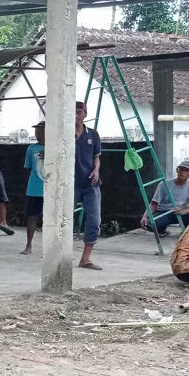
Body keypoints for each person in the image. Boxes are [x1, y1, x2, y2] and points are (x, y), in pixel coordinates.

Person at [74, 101, 103, 270]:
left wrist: (97, 170)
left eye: (79, 112)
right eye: (73, 112)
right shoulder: (64, 133)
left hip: (90, 183)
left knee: (94, 220)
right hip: (70, 183)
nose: (76, 115)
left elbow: (96, 156)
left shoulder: (93, 134)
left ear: (85, 114)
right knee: (62, 219)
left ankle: (85, 258)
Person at [142, 161, 189, 237]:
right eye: (181, 169)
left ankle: (187, 228)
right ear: (177, 170)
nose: (183, 172)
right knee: (148, 224)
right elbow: (154, 203)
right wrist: (145, 216)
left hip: (181, 212)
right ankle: (162, 229)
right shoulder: (164, 184)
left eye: (186, 170)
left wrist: (183, 211)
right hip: (164, 212)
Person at [21, 121, 46, 255]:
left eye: (39, 132)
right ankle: (28, 245)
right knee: (32, 217)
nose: (37, 135)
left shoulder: (57, 148)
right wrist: (32, 183)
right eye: (36, 132)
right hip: (35, 188)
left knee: (50, 220)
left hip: (51, 189)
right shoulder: (31, 149)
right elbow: (27, 169)